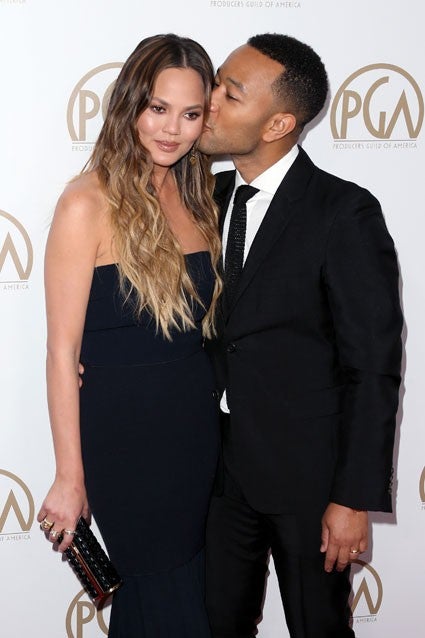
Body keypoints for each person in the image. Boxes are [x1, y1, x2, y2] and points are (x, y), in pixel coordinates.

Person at [198, 33, 403, 638]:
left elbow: (373, 367)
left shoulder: (343, 212)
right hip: (216, 476)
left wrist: (352, 498)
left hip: (310, 483)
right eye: (216, 83)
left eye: (230, 94)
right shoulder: (205, 200)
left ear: (279, 124)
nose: (209, 102)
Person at [37, 33, 222, 637]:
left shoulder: (199, 196)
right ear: (129, 104)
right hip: (127, 441)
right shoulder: (85, 203)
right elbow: (61, 353)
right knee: (163, 597)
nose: (172, 129)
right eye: (158, 108)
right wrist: (70, 477)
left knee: (172, 597)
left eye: (190, 114)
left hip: (195, 434)